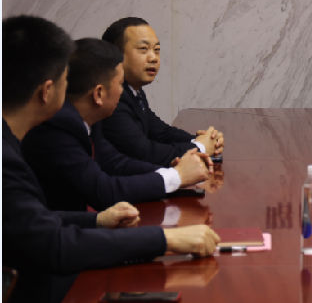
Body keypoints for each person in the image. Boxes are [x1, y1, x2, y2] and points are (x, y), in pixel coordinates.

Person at [2, 15, 220, 303]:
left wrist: (97, 220)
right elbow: (53, 244)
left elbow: (32, 220)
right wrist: (166, 239)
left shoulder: (10, 142)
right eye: (66, 80)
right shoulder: (11, 156)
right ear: (47, 91)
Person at [22, 38, 212, 212]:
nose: (122, 92)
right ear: (98, 94)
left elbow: (113, 163)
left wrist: (173, 172)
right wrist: (177, 176)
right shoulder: (57, 128)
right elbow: (104, 192)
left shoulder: (88, 118)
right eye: (120, 84)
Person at [100, 17, 224, 166]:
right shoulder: (111, 97)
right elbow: (144, 153)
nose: (153, 58)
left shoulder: (133, 90)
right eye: (143, 49)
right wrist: (200, 147)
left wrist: (199, 140)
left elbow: (160, 132)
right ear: (115, 56)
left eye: (157, 50)